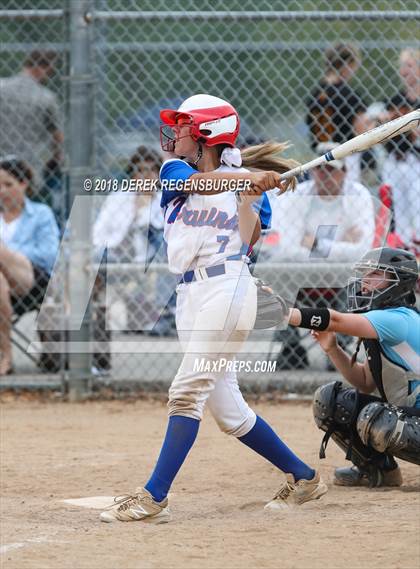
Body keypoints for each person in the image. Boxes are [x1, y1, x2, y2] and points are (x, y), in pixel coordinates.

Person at [100, 94, 327, 523]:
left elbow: (248, 237)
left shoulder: (243, 181)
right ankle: (304, 477)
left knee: (186, 393)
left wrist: (251, 195)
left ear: (208, 134)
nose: (177, 132)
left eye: (186, 125)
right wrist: (246, 179)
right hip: (190, 297)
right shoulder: (175, 170)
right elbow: (196, 185)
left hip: (228, 289)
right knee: (228, 411)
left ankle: (154, 496)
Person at [285, 246, 419, 487]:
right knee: (331, 401)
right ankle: (379, 470)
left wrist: (285, 312)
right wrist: (333, 349)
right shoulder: (380, 321)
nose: (365, 281)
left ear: (400, 282)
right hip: (412, 415)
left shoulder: (398, 318)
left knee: (377, 417)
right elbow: (365, 383)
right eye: (366, 274)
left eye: (376, 275)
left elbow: (334, 319)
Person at [263, 142, 375, 370]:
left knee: (357, 271)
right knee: (277, 267)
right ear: (313, 170)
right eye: (321, 169)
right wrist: (341, 245)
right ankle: (291, 349)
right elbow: (286, 249)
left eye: (332, 169)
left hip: (342, 275)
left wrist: (315, 243)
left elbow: (363, 250)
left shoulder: (358, 194)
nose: (326, 175)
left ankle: (341, 348)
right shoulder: (297, 194)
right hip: (300, 275)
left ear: (344, 172)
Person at [0, 157, 60, 375]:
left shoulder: (41, 214)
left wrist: (9, 254)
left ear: (24, 184)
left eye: (8, 184)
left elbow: (49, 254)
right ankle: (6, 355)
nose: (2, 191)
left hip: (32, 282)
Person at [0, 51, 63, 200]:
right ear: (42, 68)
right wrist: (56, 159)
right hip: (30, 167)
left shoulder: (1, 88)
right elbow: (58, 137)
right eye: (49, 72)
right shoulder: (46, 97)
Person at [306, 43, 373, 182]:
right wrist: (377, 122)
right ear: (346, 64)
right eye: (353, 66)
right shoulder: (349, 95)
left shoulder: (316, 93)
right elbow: (361, 131)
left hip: (320, 157)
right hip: (346, 157)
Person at [381, 48, 420, 251]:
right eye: (402, 66)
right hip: (395, 160)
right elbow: (385, 134)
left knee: (418, 205)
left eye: (410, 65)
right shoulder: (395, 101)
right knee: (399, 210)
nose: (404, 70)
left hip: (417, 162)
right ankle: (404, 250)